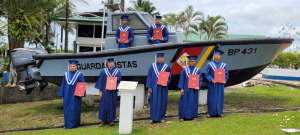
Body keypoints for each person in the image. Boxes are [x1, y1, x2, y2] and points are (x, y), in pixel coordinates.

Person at [58, 60, 85, 129]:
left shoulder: (79, 74)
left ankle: (74, 124)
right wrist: (62, 94)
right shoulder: (66, 74)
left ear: (76, 66)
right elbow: (63, 85)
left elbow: (82, 84)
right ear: (69, 66)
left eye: (74, 66)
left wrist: (81, 93)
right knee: (67, 108)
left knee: (75, 108)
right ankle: (67, 124)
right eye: (71, 66)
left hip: (76, 95)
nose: (72, 67)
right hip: (67, 94)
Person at [95, 57, 122, 127]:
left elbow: (119, 82)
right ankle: (103, 120)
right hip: (105, 91)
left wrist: (114, 86)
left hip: (113, 92)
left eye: (111, 62)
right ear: (107, 63)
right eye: (109, 63)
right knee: (103, 105)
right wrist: (100, 91)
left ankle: (110, 120)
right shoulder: (103, 71)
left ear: (114, 63)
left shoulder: (117, 71)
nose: (110, 64)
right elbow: (100, 81)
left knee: (112, 104)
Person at [146, 53, 171, 124]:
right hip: (154, 87)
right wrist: (149, 86)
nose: (160, 59)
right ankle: (152, 118)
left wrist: (166, 82)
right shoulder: (152, 66)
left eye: (161, 58)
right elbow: (149, 76)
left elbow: (169, 77)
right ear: (157, 58)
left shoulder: (166, 67)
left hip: (163, 87)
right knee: (154, 101)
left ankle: (161, 117)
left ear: (163, 58)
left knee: (162, 101)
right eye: (159, 58)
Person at [205, 49, 229, 118]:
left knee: (220, 97)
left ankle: (219, 112)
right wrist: (211, 79)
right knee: (211, 97)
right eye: (216, 54)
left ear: (220, 57)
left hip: (220, 84)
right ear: (214, 56)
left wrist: (225, 80)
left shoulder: (223, 65)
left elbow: (226, 74)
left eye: (218, 55)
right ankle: (210, 112)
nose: (217, 56)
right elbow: (207, 74)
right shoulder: (210, 64)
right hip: (213, 84)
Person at [178, 55, 202, 122]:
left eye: (193, 61)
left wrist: (198, 85)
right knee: (184, 101)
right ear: (188, 62)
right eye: (190, 61)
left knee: (193, 101)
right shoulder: (185, 69)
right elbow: (182, 79)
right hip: (186, 88)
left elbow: (200, 79)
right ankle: (182, 116)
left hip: (194, 89)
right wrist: (181, 88)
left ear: (195, 61)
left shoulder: (197, 70)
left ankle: (193, 115)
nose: (191, 62)